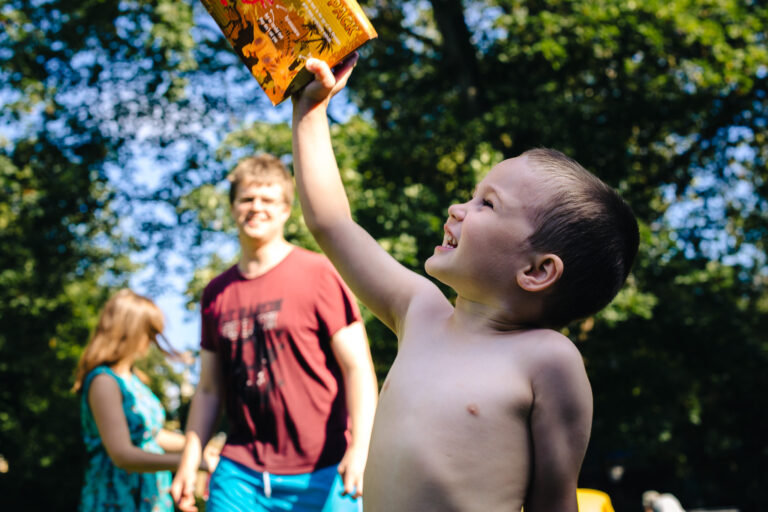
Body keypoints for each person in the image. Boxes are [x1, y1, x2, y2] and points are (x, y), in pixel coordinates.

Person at [290, 54, 640, 512]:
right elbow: (332, 223)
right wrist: (311, 114)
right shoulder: (419, 311)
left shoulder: (548, 360)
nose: (459, 208)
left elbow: (554, 504)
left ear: (537, 271)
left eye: (487, 205)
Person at [171, 154, 378, 512]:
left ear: (285, 209)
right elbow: (208, 388)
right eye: (247, 199)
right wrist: (190, 458)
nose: (256, 208)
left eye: (267, 199)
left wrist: (361, 448)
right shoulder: (216, 293)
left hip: (326, 470)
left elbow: (357, 367)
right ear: (233, 208)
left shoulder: (319, 274)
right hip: (241, 473)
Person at [73, 289, 218, 511]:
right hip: (117, 498)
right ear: (130, 331)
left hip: (149, 496)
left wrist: (195, 447)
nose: (151, 341)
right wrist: (192, 463)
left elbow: (152, 433)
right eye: (149, 332)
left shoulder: (134, 380)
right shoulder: (104, 382)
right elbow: (122, 455)